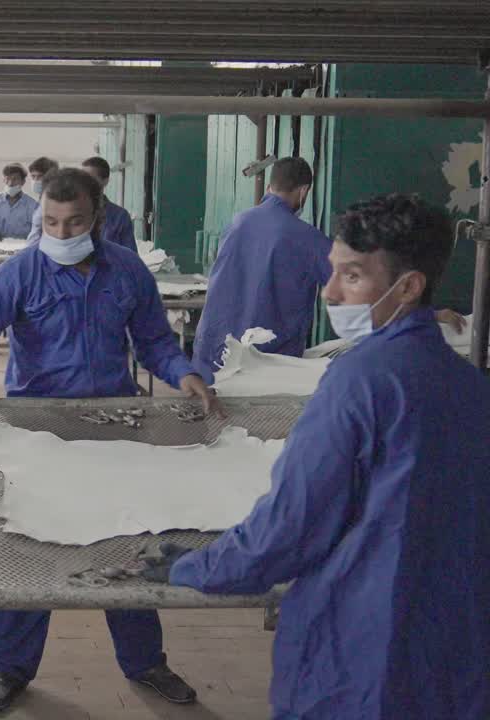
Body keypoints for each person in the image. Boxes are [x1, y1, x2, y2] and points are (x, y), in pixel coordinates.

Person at [146, 193, 490, 720]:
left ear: (410, 286)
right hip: (454, 650)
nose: (329, 291)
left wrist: (195, 566)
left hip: (361, 653)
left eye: (351, 277)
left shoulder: (359, 382)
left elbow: (288, 530)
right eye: (331, 272)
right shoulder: (469, 385)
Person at [0, 168, 218, 712]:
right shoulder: (22, 274)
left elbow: (154, 340)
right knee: (26, 551)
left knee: (127, 545)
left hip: (112, 430)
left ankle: (145, 661)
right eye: (51, 223)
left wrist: (184, 373)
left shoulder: (126, 271)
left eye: (74, 222)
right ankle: (9, 666)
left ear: (98, 218)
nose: (61, 233)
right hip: (38, 432)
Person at [190, 157, 331, 378]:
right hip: (267, 365)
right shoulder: (308, 238)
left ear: (269, 187)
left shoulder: (236, 223)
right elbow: (346, 285)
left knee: (213, 411)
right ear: (303, 191)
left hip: (213, 354)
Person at [81, 156, 137, 253]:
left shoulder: (120, 217)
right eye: (82, 179)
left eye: (90, 179)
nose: (84, 183)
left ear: (105, 181)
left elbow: (131, 257)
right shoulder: (71, 211)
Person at [0, 163, 38, 242]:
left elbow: (37, 232)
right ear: (3, 180)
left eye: (15, 179)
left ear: (23, 182)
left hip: (22, 248)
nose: (10, 183)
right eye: (7, 179)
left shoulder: (32, 204)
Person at [24, 156, 59, 243]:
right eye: (33, 176)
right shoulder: (41, 199)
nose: (35, 180)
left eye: (39, 176)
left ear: (51, 177)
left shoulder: (55, 202)